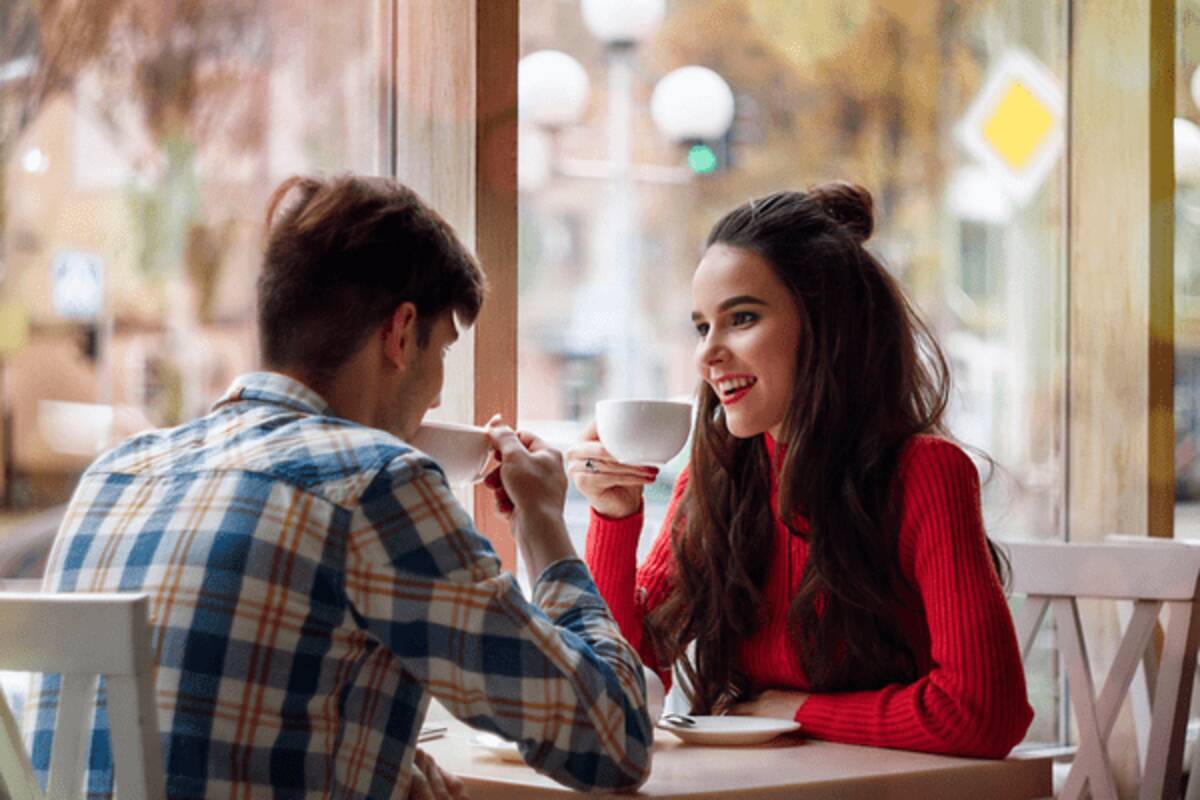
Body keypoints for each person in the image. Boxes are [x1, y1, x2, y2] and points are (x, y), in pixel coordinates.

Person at [27, 174, 651, 799]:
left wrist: (367, 761)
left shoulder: (114, 477)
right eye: (443, 353)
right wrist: (543, 525)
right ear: (401, 334)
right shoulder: (373, 482)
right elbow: (613, 741)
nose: (437, 393)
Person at [569, 183, 1033, 758]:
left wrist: (794, 710)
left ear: (824, 325)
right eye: (701, 327)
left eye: (740, 318)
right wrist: (614, 518)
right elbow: (612, 690)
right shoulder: (719, 480)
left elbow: (983, 713)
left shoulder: (925, 474)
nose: (706, 355)